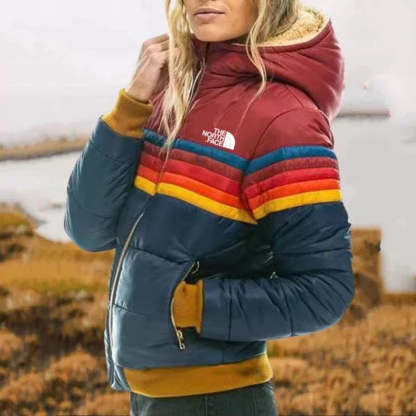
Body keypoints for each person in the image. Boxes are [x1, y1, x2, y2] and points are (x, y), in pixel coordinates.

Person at [64, 0, 355, 414]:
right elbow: (87, 230)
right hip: (149, 396)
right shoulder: (173, 93)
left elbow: (325, 291)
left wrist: (190, 306)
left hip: (216, 400)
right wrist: (132, 102)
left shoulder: (286, 120)